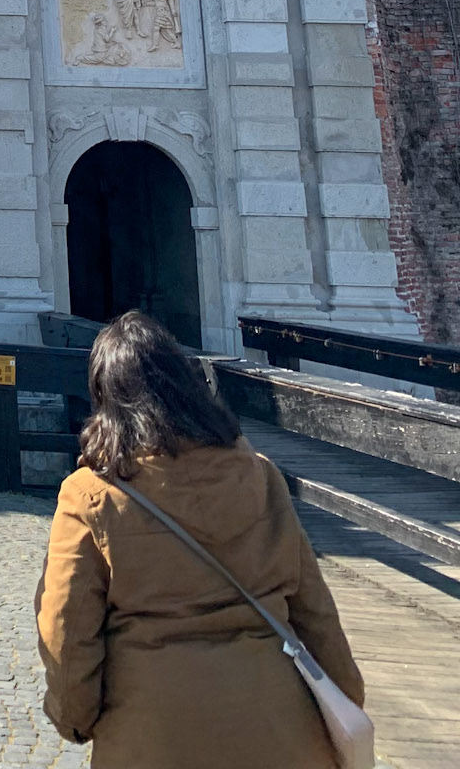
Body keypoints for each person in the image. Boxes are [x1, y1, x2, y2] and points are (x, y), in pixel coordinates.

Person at [35, 310, 363, 768]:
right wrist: (344, 700)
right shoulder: (259, 475)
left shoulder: (90, 496)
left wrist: (74, 716)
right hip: (280, 729)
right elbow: (313, 609)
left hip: (153, 735)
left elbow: (67, 628)